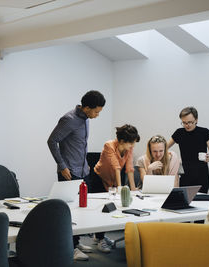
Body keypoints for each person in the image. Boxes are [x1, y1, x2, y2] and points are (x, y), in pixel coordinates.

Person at [47, 90, 105, 261]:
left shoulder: (86, 119)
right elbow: (52, 141)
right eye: (96, 111)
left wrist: (86, 164)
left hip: (83, 171)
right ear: (86, 107)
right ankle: (69, 248)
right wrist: (62, 165)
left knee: (81, 209)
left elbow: (80, 145)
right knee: (69, 212)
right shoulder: (69, 119)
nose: (97, 115)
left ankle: (76, 242)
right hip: (69, 172)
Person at [91, 124, 140, 253]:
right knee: (102, 208)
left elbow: (129, 168)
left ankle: (99, 236)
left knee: (111, 207)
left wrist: (133, 189)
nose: (132, 146)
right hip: (99, 177)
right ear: (122, 141)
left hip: (113, 179)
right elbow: (116, 166)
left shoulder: (129, 149)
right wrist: (119, 188)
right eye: (131, 143)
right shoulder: (109, 145)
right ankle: (100, 239)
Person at [168, 106, 209, 193]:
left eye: (190, 122)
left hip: (201, 175)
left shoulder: (205, 132)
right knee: (184, 201)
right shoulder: (179, 133)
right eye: (184, 122)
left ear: (196, 120)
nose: (187, 125)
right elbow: (164, 147)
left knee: (201, 202)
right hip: (185, 175)